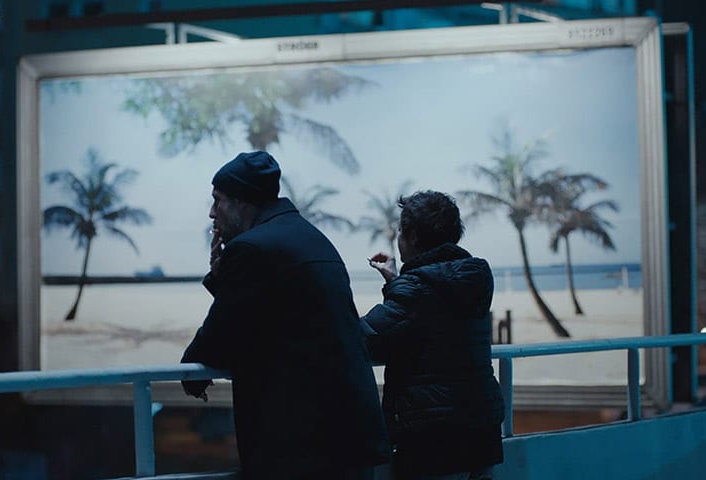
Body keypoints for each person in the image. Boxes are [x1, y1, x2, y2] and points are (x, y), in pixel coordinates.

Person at [181, 151, 390, 480]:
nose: (211, 212)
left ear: (242, 201)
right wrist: (224, 279)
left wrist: (191, 374)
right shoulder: (312, 238)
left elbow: (221, 336)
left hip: (302, 445)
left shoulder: (250, 248)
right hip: (350, 436)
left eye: (217, 200)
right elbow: (271, 314)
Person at [360, 191, 504, 480]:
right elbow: (431, 317)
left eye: (400, 231)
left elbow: (368, 340)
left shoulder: (414, 290)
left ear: (412, 236)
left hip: (434, 441)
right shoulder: (474, 277)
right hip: (482, 434)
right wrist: (398, 282)